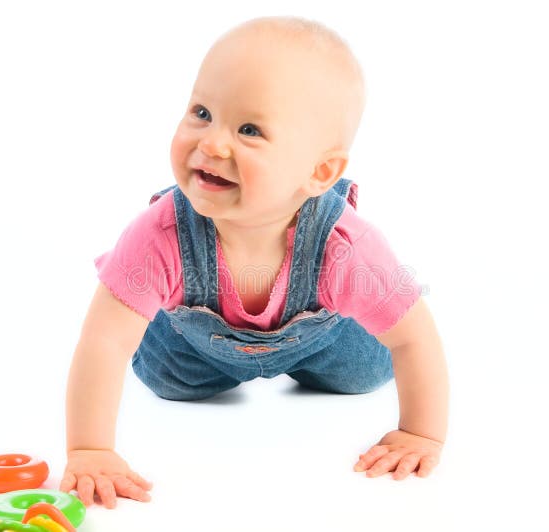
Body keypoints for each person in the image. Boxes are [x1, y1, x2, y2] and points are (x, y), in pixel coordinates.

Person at [60, 15, 449, 509]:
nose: (212, 143)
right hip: (191, 353)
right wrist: (91, 450)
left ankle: (331, 357)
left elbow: (415, 337)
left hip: (326, 343)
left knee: (367, 370)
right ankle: (170, 334)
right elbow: (105, 339)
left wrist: (422, 435)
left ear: (319, 172)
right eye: (202, 112)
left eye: (249, 129)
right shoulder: (160, 233)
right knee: (166, 380)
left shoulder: (344, 246)